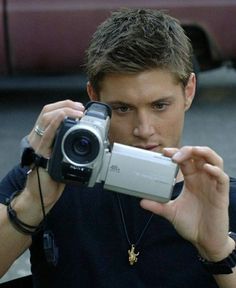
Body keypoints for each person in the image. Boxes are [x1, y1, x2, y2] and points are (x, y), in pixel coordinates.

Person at [0, 8, 236, 288]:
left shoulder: (218, 198)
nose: (144, 128)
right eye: (122, 108)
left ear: (189, 91)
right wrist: (31, 205)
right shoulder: (45, 180)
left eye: (160, 105)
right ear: (93, 98)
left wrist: (218, 250)